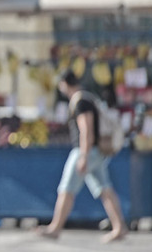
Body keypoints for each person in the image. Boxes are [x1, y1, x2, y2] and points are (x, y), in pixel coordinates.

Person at [36, 69, 128, 243]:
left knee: (66, 189)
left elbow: (86, 129)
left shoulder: (80, 101)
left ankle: (55, 227)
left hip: (85, 151)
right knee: (104, 189)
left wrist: (84, 156)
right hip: (95, 152)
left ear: (64, 84)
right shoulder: (87, 97)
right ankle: (119, 226)